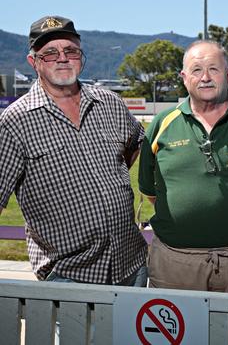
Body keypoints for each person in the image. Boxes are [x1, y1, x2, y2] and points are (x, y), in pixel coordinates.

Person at [0, 15, 147, 285]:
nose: (62, 58)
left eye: (70, 50)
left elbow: (135, 144)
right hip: (70, 275)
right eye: (50, 53)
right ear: (33, 62)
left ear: (81, 56)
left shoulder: (109, 102)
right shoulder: (15, 121)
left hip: (131, 264)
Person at [138, 40, 228, 294]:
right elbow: (150, 190)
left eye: (214, 69)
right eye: (197, 70)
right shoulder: (161, 124)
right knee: (175, 333)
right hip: (176, 262)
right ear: (184, 77)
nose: (206, 77)